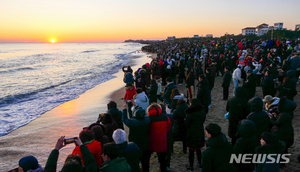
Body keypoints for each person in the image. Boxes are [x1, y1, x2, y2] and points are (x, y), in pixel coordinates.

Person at [143, 103, 171, 172]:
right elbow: (168, 128)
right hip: (162, 141)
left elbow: (146, 130)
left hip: (151, 143)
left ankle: (145, 170)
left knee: (146, 158)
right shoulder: (165, 117)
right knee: (162, 160)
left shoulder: (148, 119)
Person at [122, 106, 150, 171]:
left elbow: (124, 118)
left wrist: (124, 109)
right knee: (145, 162)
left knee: (135, 162)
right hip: (145, 144)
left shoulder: (132, 122)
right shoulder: (147, 120)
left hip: (135, 145)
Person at [185, 99, 206, 172]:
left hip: (191, 134)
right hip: (200, 131)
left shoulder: (190, 114)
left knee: (191, 151)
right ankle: (200, 164)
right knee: (198, 149)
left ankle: (191, 166)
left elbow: (187, 124)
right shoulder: (202, 112)